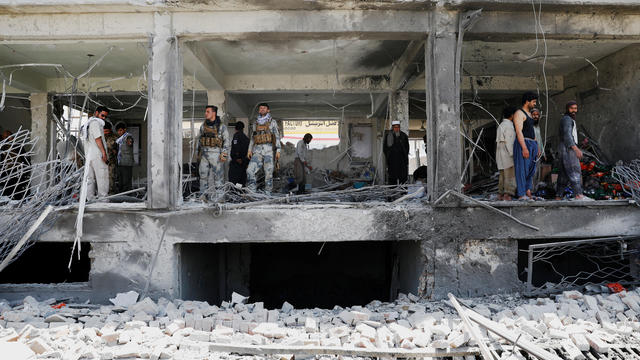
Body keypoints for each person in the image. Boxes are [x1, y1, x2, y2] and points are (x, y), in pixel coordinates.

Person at [556, 101, 591, 200]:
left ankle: (558, 196)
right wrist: (576, 149)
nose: (574, 111)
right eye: (571, 108)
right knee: (574, 170)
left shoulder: (567, 119)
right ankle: (579, 195)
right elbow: (567, 136)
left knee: (563, 174)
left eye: (575, 108)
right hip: (568, 148)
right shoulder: (567, 119)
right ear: (567, 109)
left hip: (564, 147)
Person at [246, 103, 281, 195]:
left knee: (268, 174)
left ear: (268, 110)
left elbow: (277, 137)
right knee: (250, 170)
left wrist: (278, 150)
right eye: (260, 108)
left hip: (268, 151)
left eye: (264, 108)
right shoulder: (255, 123)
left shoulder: (272, 122)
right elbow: (253, 138)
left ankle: (268, 193)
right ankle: (252, 192)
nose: (262, 109)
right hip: (257, 151)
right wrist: (249, 150)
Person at [197, 105, 230, 199]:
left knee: (218, 178)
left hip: (216, 154)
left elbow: (227, 140)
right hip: (204, 154)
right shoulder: (203, 126)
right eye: (205, 111)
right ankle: (203, 197)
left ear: (214, 113)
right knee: (203, 176)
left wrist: (224, 153)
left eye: (208, 112)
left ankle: (219, 198)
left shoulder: (221, 127)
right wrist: (197, 153)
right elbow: (199, 140)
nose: (205, 113)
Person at [513, 92, 539, 200]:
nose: (535, 104)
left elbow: (532, 131)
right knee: (522, 170)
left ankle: (528, 192)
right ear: (527, 101)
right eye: (533, 101)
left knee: (531, 170)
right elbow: (519, 131)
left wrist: (537, 147)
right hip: (524, 143)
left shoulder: (529, 114)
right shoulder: (519, 113)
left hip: (532, 144)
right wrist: (524, 147)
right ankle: (521, 194)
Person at [80, 106, 109, 200]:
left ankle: (90, 199)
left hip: (89, 156)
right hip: (97, 155)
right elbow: (98, 139)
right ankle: (103, 200)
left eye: (105, 117)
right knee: (102, 177)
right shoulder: (95, 123)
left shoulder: (87, 124)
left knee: (90, 179)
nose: (103, 118)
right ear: (96, 113)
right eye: (102, 115)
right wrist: (104, 153)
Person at [496, 106, 517, 201]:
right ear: (512, 115)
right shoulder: (509, 126)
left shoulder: (501, 125)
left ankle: (500, 194)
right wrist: (513, 154)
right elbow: (509, 141)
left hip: (500, 153)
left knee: (502, 175)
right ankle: (507, 194)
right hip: (507, 154)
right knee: (509, 175)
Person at [383, 120, 409, 185]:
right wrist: (388, 156)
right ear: (392, 128)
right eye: (395, 127)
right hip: (392, 161)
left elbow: (407, 147)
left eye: (398, 127)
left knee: (403, 178)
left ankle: (403, 193)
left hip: (402, 161)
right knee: (392, 178)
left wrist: (404, 156)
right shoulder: (388, 136)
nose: (396, 129)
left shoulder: (403, 136)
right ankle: (392, 193)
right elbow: (385, 148)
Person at [228, 121, 249, 186]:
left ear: (235, 128)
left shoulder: (236, 135)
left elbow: (236, 146)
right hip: (244, 162)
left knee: (234, 181)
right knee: (242, 181)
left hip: (237, 162)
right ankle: (240, 194)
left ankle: (235, 194)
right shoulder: (246, 138)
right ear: (243, 128)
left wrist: (237, 158)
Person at [115, 123, 134, 192]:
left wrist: (129, 142)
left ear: (124, 130)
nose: (119, 132)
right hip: (120, 163)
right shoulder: (119, 139)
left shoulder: (128, 136)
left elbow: (130, 142)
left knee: (126, 181)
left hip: (127, 163)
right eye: (118, 131)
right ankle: (122, 196)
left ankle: (127, 196)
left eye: (120, 130)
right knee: (121, 181)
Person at [531, 108, 545, 191]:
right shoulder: (529, 127)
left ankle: (535, 190)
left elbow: (540, 140)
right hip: (532, 153)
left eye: (537, 115)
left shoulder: (537, 127)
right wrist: (536, 150)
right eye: (534, 115)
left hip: (539, 154)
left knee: (537, 173)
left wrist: (543, 153)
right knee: (533, 172)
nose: (536, 116)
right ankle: (531, 190)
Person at [103, 121, 118, 194]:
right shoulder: (99, 136)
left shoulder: (115, 137)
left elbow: (119, 148)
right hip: (102, 161)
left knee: (111, 178)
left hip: (111, 162)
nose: (106, 133)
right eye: (104, 131)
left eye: (107, 131)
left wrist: (115, 150)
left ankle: (111, 193)